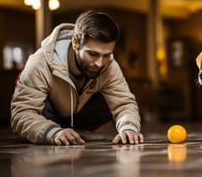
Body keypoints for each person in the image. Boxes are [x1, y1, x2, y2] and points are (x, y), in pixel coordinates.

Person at [11, 10, 144, 145]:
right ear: (75, 42)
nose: (99, 63)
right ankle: (59, 130)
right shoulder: (40, 63)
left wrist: (129, 128)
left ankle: (75, 132)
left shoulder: (109, 65)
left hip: (78, 118)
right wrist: (52, 132)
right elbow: (22, 113)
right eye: (92, 54)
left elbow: (124, 104)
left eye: (106, 55)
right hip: (48, 118)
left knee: (111, 94)